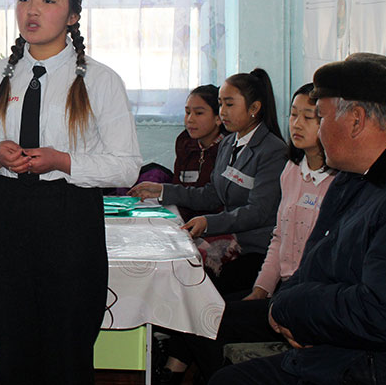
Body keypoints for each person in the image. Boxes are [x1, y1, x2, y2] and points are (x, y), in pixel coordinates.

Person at [0, 0, 142, 384]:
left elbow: (127, 165)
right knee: (13, 341)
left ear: (73, 15)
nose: (31, 9)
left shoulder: (100, 80)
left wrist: (64, 162)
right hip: (6, 214)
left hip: (70, 215)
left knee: (68, 345)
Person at [211, 53, 386, 384]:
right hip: (333, 341)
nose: (317, 131)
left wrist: (295, 307)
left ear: (356, 120)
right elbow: (317, 257)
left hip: (375, 367)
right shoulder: (355, 176)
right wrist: (293, 308)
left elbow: (385, 315)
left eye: (320, 117)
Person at [157, 83, 336, 384]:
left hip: (299, 290)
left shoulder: (335, 179)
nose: (296, 124)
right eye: (293, 115)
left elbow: (263, 216)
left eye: (309, 117)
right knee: (199, 312)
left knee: (203, 313)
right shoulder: (293, 169)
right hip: (279, 285)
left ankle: (183, 370)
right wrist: (261, 290)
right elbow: (281, 236)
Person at [130, 68, 287, 295]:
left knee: (193, 284)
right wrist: (163, 190)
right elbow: (212, 193)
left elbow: (258, 212)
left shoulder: (272, 151)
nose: (223, 112)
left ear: (254, 108)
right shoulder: (229, 143)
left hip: (255, 251)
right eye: (221, 104)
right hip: (231, 241)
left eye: (230, 104)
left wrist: (208, 222)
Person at [169, 84, 227, 221]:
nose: (190, 120)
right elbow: (178, 189)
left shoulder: (228, 149)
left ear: (218, 118)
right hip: (186, 223)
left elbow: (215, 201)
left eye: (199, 113)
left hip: (215, 224)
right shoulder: (184, 143)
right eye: (188, 112)